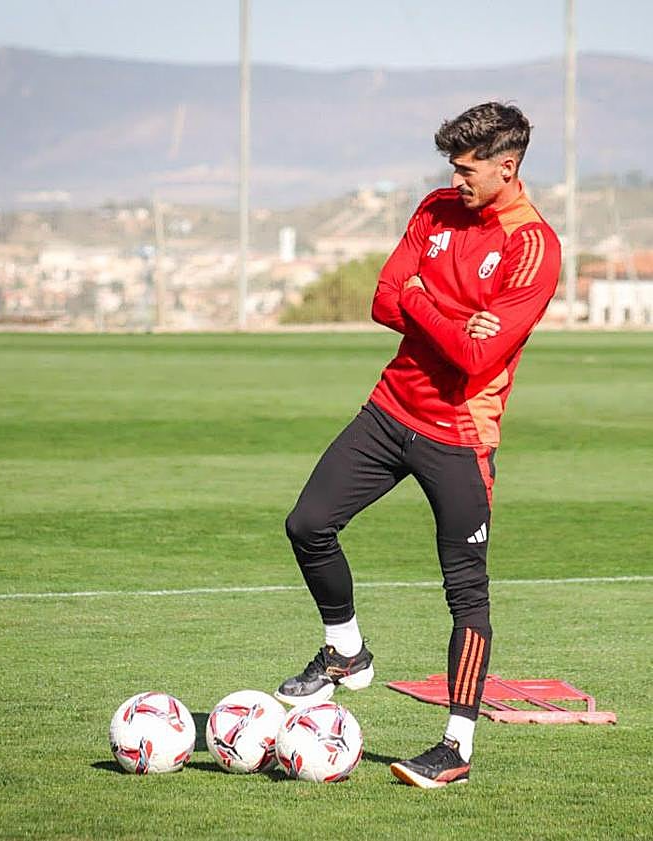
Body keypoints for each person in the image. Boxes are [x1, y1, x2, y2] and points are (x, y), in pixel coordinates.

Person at [274, 102, 562, 789]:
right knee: (307, 524)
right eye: (451, 167)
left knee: (466, 595)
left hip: (459, 436)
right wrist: (446, 310)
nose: (455, 179)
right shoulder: (435, 207)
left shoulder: (532, 247)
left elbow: (472, 357)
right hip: (388, 408)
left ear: (506, 166)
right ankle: (345, 650)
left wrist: (422, 297)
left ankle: (455, 746)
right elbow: (381, 299)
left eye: (466, 169)